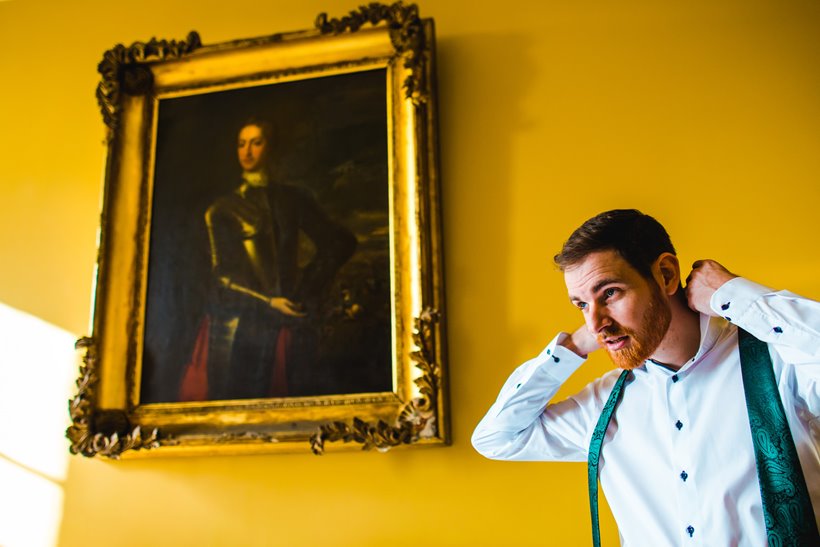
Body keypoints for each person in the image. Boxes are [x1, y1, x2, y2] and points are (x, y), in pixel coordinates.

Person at [471, 209, 819, 545]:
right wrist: (573, 346)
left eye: (609, 293)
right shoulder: (604, 407)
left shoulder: (778, 364)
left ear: (666, 274)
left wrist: (733, 294)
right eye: (581, 305)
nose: (596, 323)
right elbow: (496, 437)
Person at [179, 117, 357, 401]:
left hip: (291, 326)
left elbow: (340, 242)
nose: (247, 152)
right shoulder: (222, 209)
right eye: (241, 144)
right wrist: (268, 302)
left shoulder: (293, 198)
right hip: (237, 331)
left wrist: (304, 290)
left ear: (270, 148)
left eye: (256, 143)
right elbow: (221, 277)